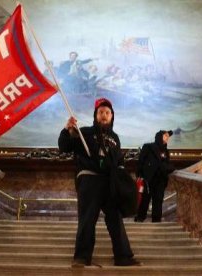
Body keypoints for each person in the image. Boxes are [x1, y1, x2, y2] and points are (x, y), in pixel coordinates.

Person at [58, 98, 141, 267]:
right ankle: (82, 257)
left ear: (112, 116)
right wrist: (67, 129)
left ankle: (123, 256)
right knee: (87, 219)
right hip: (90, 179)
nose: (104, 115)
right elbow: (64, 146)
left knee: (115, 219)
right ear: (95, 115)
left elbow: (119, 161)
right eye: (101, 112)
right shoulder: (84, 133)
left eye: (107, 113)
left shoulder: (115, 138)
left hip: (110, 182)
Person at [135, 130, 174, 223]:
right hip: (148, 179)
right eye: (165, 136)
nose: (167, 137)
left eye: (168, 136)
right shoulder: (148, 147)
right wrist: (140, 176)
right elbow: (141, 162)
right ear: (159, 136)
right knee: (145, 200)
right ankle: (140, 218)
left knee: (158, 201)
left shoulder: (166, 151)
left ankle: (156, 221)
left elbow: (167, 164)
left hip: (160, 180)